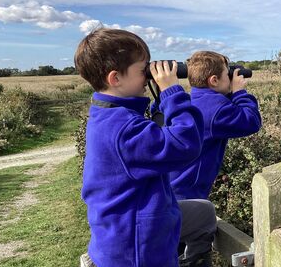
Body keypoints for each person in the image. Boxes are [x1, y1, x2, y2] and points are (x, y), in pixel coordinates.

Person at [75, 28, 208, 266]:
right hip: (137, 250)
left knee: (203, 212)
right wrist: (171, 91)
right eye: (143, 70)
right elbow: (186, 144)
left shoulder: (109, 115)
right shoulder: (124, 128)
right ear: (115, 78)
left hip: (124, 236)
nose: (149, 76)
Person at [169, 51, 262, 264]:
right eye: (226, 73)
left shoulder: (193, 100)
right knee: (184, 253)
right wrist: (239, 92)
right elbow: (251, 121)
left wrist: (227, 89)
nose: (230, 77)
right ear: (213, 80)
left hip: (173, 189)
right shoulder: (217, 110)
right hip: (187, 194)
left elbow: (215, 104)